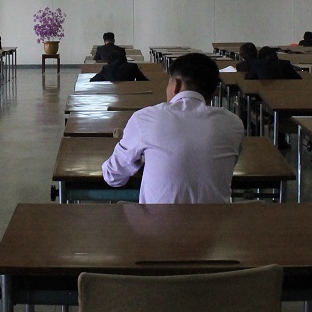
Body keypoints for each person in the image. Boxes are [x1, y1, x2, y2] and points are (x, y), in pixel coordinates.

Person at [101, 53, 244, 204]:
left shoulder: (144, 118)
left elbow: (113, 176)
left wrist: (135, 153)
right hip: (216, 225)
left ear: (176, 84)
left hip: (158, 225)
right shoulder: (233, 123)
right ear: (212, 90)